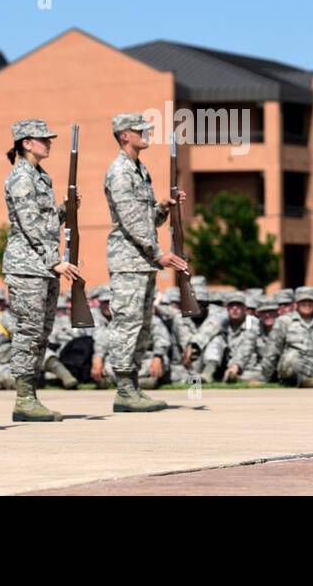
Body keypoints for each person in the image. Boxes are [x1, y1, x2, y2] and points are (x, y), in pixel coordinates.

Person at [102, 112, 188, 412]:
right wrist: (158, 253)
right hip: (129, 260)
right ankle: (124, 389)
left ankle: (132, 386)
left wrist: (163, 207)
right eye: (139, 130)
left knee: (142, 325)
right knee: (128, 323)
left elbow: (148, 218)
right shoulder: (121, 171)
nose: (145, 134)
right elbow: (131, 221)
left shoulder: (139, 169)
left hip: (142, 260)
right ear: (124, 135)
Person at [2, 118, 83, 421]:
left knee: (41, 334)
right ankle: (24, 398)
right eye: (43, 138)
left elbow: (45, 222)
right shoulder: (22, 177)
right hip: (29, 268)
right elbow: (30, 225)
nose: (48, 142)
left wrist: (65, 209)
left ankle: (31, 396)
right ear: (26, 143)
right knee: (28, 333)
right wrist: (55, 260)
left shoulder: (40, 176)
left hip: (42, 267)